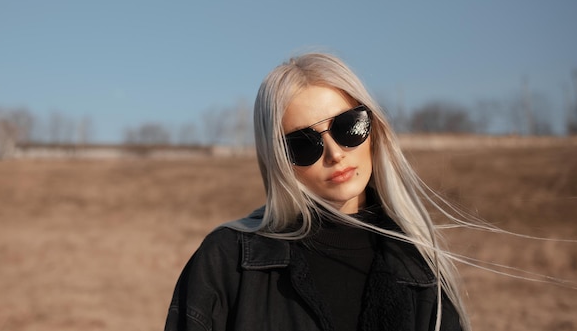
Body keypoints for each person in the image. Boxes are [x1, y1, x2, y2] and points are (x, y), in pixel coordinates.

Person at [164, 53, 469, 331]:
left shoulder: (421, 267)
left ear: (374, 128)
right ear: (278, 160)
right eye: (303, 143)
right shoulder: (227, 261)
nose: (335, 153)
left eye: (349, 126)